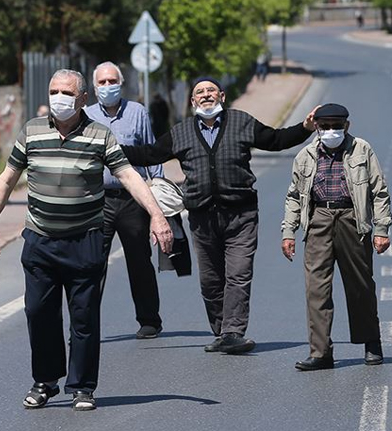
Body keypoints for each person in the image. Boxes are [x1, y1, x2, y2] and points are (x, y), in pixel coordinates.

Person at [0, 69, 173, 411]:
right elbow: (8, 179)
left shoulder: (100, 135)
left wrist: (157, 215)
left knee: (83, 317)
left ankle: (82, 386)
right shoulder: (32, 131)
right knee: (39, 313)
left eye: (66, 92)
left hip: (84, 241)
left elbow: (128, 175)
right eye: (54, 90)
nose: (58, 98)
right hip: (40, 241)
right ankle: (45, 381)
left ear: (83, 98)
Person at [120, 76, 318, 354]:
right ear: (192, 101)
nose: (205, 95)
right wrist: (107, 149)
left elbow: (276, 139)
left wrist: (305, 128)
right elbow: (148, 154)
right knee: (211, 281)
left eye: (211, 90)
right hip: (202, 218)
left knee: (238, 274)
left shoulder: (241, 122)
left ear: (222, 96)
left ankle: (233, 331)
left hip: (241, 214)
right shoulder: (181, 131)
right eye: (199, 92)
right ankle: (221, 330)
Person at [281, 103, 392, 371]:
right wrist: (289, 232)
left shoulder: (362, 149)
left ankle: (371, 342)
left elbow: (379, 191)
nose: (331, 131)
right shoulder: (305, 155)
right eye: (326, 126)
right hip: (319, 220)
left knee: (360, 285)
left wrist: (381, 229)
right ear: (316, 127)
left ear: (346, 126)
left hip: (352, 219)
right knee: (316, 289)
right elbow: (294, 196)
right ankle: (320, 352)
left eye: (336, 126)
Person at [85, 61, 165, 339]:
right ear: (94, 88)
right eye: (102, 83)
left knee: (140, 261)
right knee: (91, 264)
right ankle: (85, 325)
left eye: (112, 81)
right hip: (98, 201)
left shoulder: (137, 112)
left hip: (132, 200)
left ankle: (149, 320)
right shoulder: (85, 115)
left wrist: (158, 198)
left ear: (121, 83)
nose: (108, 86)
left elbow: (151, 152)